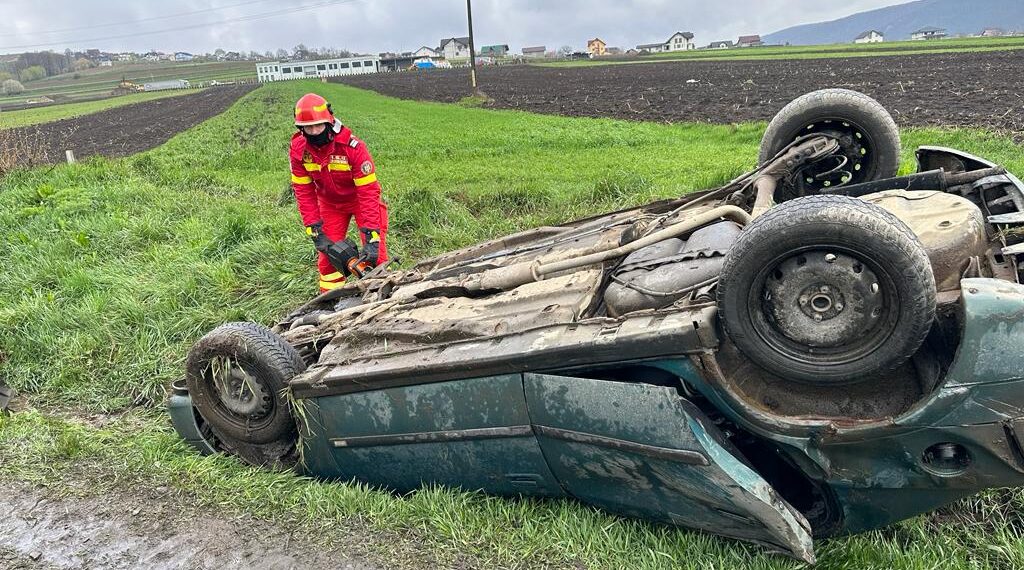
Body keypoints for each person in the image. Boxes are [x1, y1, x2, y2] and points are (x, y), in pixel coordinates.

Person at [289, 93, 389, 292]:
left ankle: (383, 297)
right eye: (309, 128)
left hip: (361, 201)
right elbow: (304, 191)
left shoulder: (353, 148)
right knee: (328, 260)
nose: (315, 131)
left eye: (319, 125)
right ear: (301, 129)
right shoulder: (299, 150)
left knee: (376, 255)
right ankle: (330, 303)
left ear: (330, 121)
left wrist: (371, 235)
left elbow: (368, 192)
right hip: (331, 205)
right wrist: (315, 230)